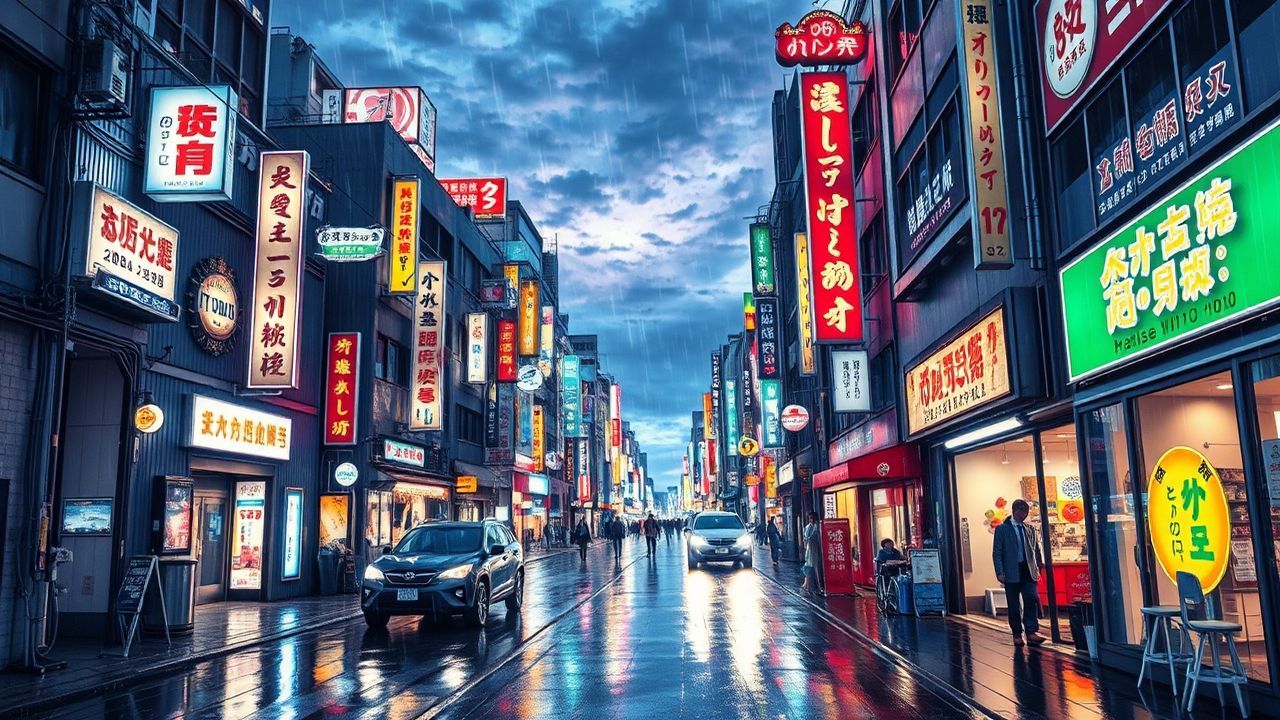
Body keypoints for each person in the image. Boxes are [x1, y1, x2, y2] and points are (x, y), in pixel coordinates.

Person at [993, 499, 1046, 647]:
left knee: (1031, 598)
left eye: (1027, 512)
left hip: (1028, 569)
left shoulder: (1029, 528)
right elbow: (997, 552)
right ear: (1015, 511)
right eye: (1023, 511)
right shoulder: (1003, 529)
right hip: (1011, 570)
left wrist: (1038, 567)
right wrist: (1000, 572)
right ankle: (1017, 633)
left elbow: (1035, 550)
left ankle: (1031, 631)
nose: (1025, 515)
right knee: (1014, 603)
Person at [801, 512, 822, 596]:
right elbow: (806, 539)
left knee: (815, 567)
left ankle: (814, 586)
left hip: (817, 549)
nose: (811, 520)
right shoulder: (808, 527)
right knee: (810, 566)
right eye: (810, 518)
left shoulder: (818, 526)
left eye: (813, 518)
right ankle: (810, 585)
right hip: (810, 549)